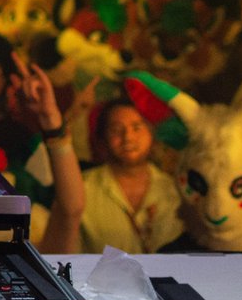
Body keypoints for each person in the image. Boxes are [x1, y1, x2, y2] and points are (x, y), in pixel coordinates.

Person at [78, 98, 183, 254]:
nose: (128, 137)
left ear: (151, 133)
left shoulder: (175, 191)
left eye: (137, 127)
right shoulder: (81, 188)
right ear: (104, 137)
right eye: (116, 129)